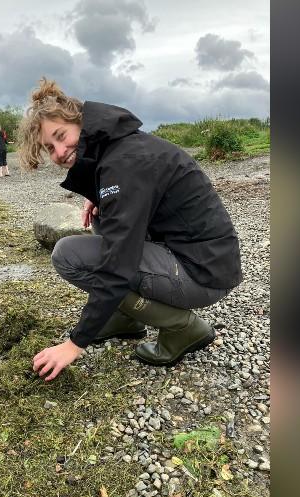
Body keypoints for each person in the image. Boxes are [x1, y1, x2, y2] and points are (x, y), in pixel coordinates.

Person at [19, 78, 243, 381]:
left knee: (68, 254)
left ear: (80, 121)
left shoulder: (125, 161)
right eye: (50, 147)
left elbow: (117, 265)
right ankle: (125, 317)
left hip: (203, 271)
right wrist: (96, 196)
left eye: (61, 136)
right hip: (205, 256)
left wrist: (75, 343)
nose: (59, 151)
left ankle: (183, 327)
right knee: (103, 218)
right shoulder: (120, 148)